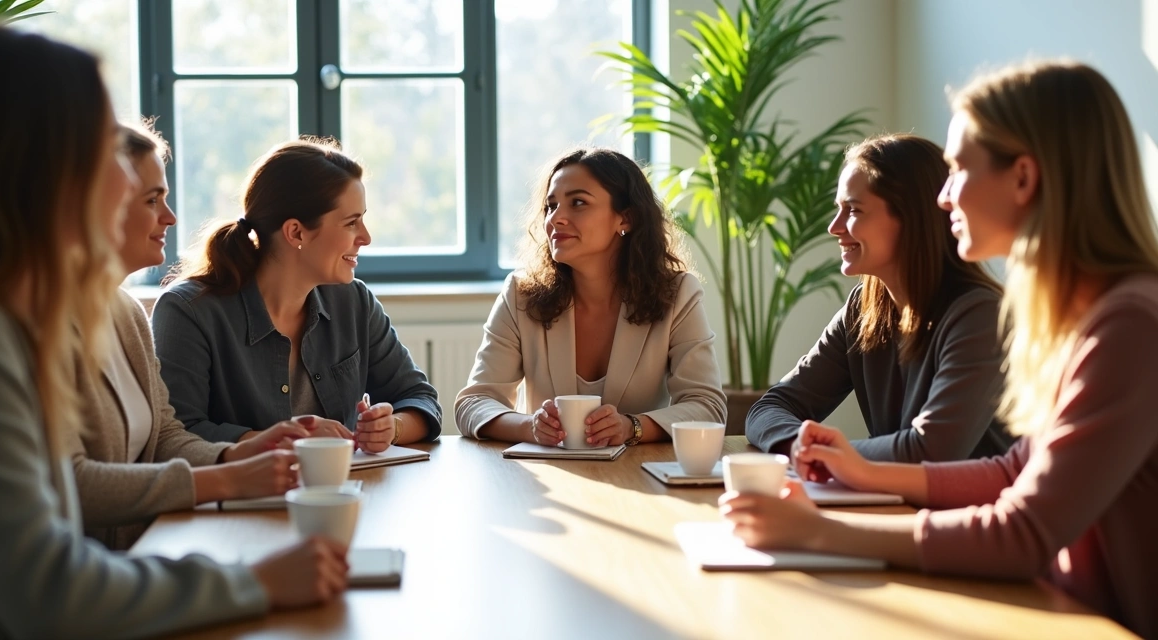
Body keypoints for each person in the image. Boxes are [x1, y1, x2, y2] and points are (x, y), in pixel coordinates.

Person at [720, 61, 1158, 638]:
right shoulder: (1085, 317)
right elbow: (1014, 470)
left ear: (1023, 178)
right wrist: (856, 470)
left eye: (956, 171)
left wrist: (817, 531)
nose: (944, 198)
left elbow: (1022, 532)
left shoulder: (1129, 324)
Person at [0, 27, 347, 638]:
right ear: (39, 166)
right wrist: (254, 582)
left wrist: (236, 456)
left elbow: (155, 439)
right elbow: (47, 588)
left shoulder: (49, 316)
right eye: (104, 148)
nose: (128, 183)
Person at [67, 121, 311, 551]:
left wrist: (243, 451)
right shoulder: (42, 324)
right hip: (94, 574)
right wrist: (226, 477)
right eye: (152, 199)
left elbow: (164, 437)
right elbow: (72, 482)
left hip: (142, 553)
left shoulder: (126, 313)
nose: (171, 217)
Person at [152, 139, 441, 452]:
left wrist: (390, 428)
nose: (366, 238)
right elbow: (176, 434)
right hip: (242, 497)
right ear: (296, 233)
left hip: (347, 493)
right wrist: (285, 441)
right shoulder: (187, 311)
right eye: (351, 222)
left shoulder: (354, 302)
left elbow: (420, 398)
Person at [745, 134, 1012, 471]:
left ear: (912, 218)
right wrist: (798, 444)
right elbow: (771, 406)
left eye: (853, 210)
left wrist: (830, 455)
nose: (834, 227)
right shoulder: (864, 308)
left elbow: (931, 451)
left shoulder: (980, 316)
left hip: (969, 518)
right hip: (897, 507)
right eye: (837, 209)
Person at [456, 147, 725, 446]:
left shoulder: (677, 294)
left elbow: (707, 407)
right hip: (544, 479)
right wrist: (529, 427)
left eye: (578, 203)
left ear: (625, 218)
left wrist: (631, 427)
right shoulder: (520, 295)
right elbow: (474, 403)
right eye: (551, 206)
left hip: (637, 476)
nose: (556, 219)